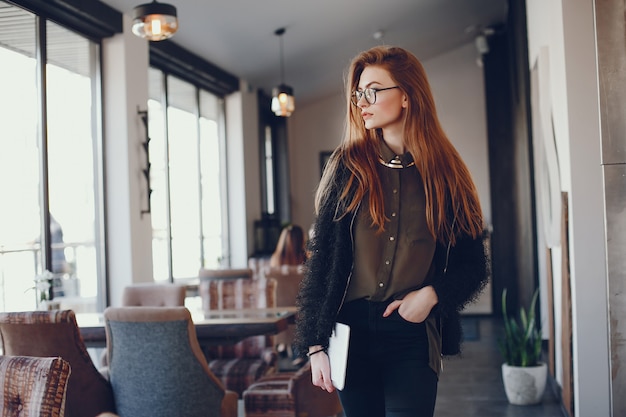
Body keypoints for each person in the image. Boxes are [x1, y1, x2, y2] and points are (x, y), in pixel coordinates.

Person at [293, 45, 489, 417]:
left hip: (412, 333)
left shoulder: (447, 175)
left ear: (406, 96)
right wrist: (315, 345)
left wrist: (431, 295)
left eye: (373, 90)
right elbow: (322, 263)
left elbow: (473, 266)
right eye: (358, 93)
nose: (361, 102)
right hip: (349, 334)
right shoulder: (347, 168)